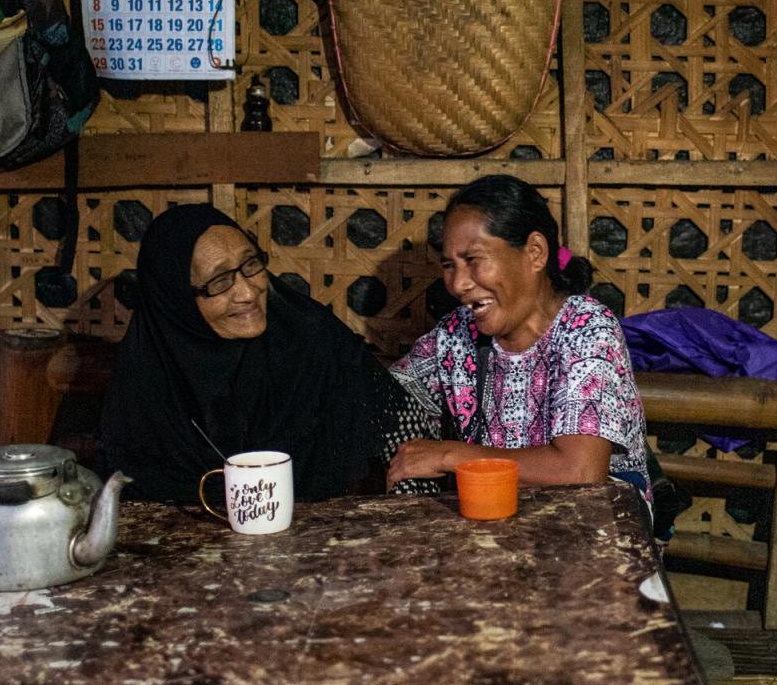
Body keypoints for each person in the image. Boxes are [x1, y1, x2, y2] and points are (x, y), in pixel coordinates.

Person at [98, 204, 429, 502]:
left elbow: (407, 432)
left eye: (250, 264)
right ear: (176, 301)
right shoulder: (147, 373)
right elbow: (129, 488)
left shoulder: (310, 338)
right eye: (219, 281)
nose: (248, 291)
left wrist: (404, 520)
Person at [386, 174, 650, 502]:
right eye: (449, 265)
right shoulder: (458, 335)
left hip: (597, 528)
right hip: (506, 520)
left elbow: (580, 472)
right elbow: (387, 394)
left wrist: (449, 456)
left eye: (473, 260)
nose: (458, 284)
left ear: (535, 253)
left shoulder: (585, 328)